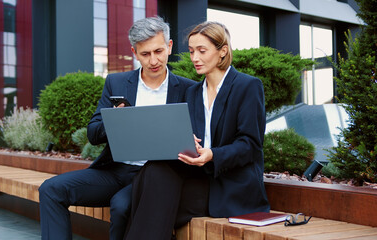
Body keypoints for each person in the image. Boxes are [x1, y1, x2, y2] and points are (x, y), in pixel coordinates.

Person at [38, 16, 195, 240]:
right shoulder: (117, 83)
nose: (153, 60)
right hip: (114, 171)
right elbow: (92, 133)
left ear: (169, 47)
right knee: (50, 189)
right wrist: (115, 119)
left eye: (158, 51)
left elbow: (195, 139)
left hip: (153, 178)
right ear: (134, 52)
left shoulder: (189, 89)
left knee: (121, 206)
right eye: (145, 54)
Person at [124, 21, 270, 240]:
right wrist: (185, 142)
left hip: (230, 184)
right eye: (192, 51)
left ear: (222, 51)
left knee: (149, 208)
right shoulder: (192, 92)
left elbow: (250, 145)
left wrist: (213, 154)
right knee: (155, 171)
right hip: (198, 180)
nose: (194, 58)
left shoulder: (247, 86)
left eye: (202, 51)